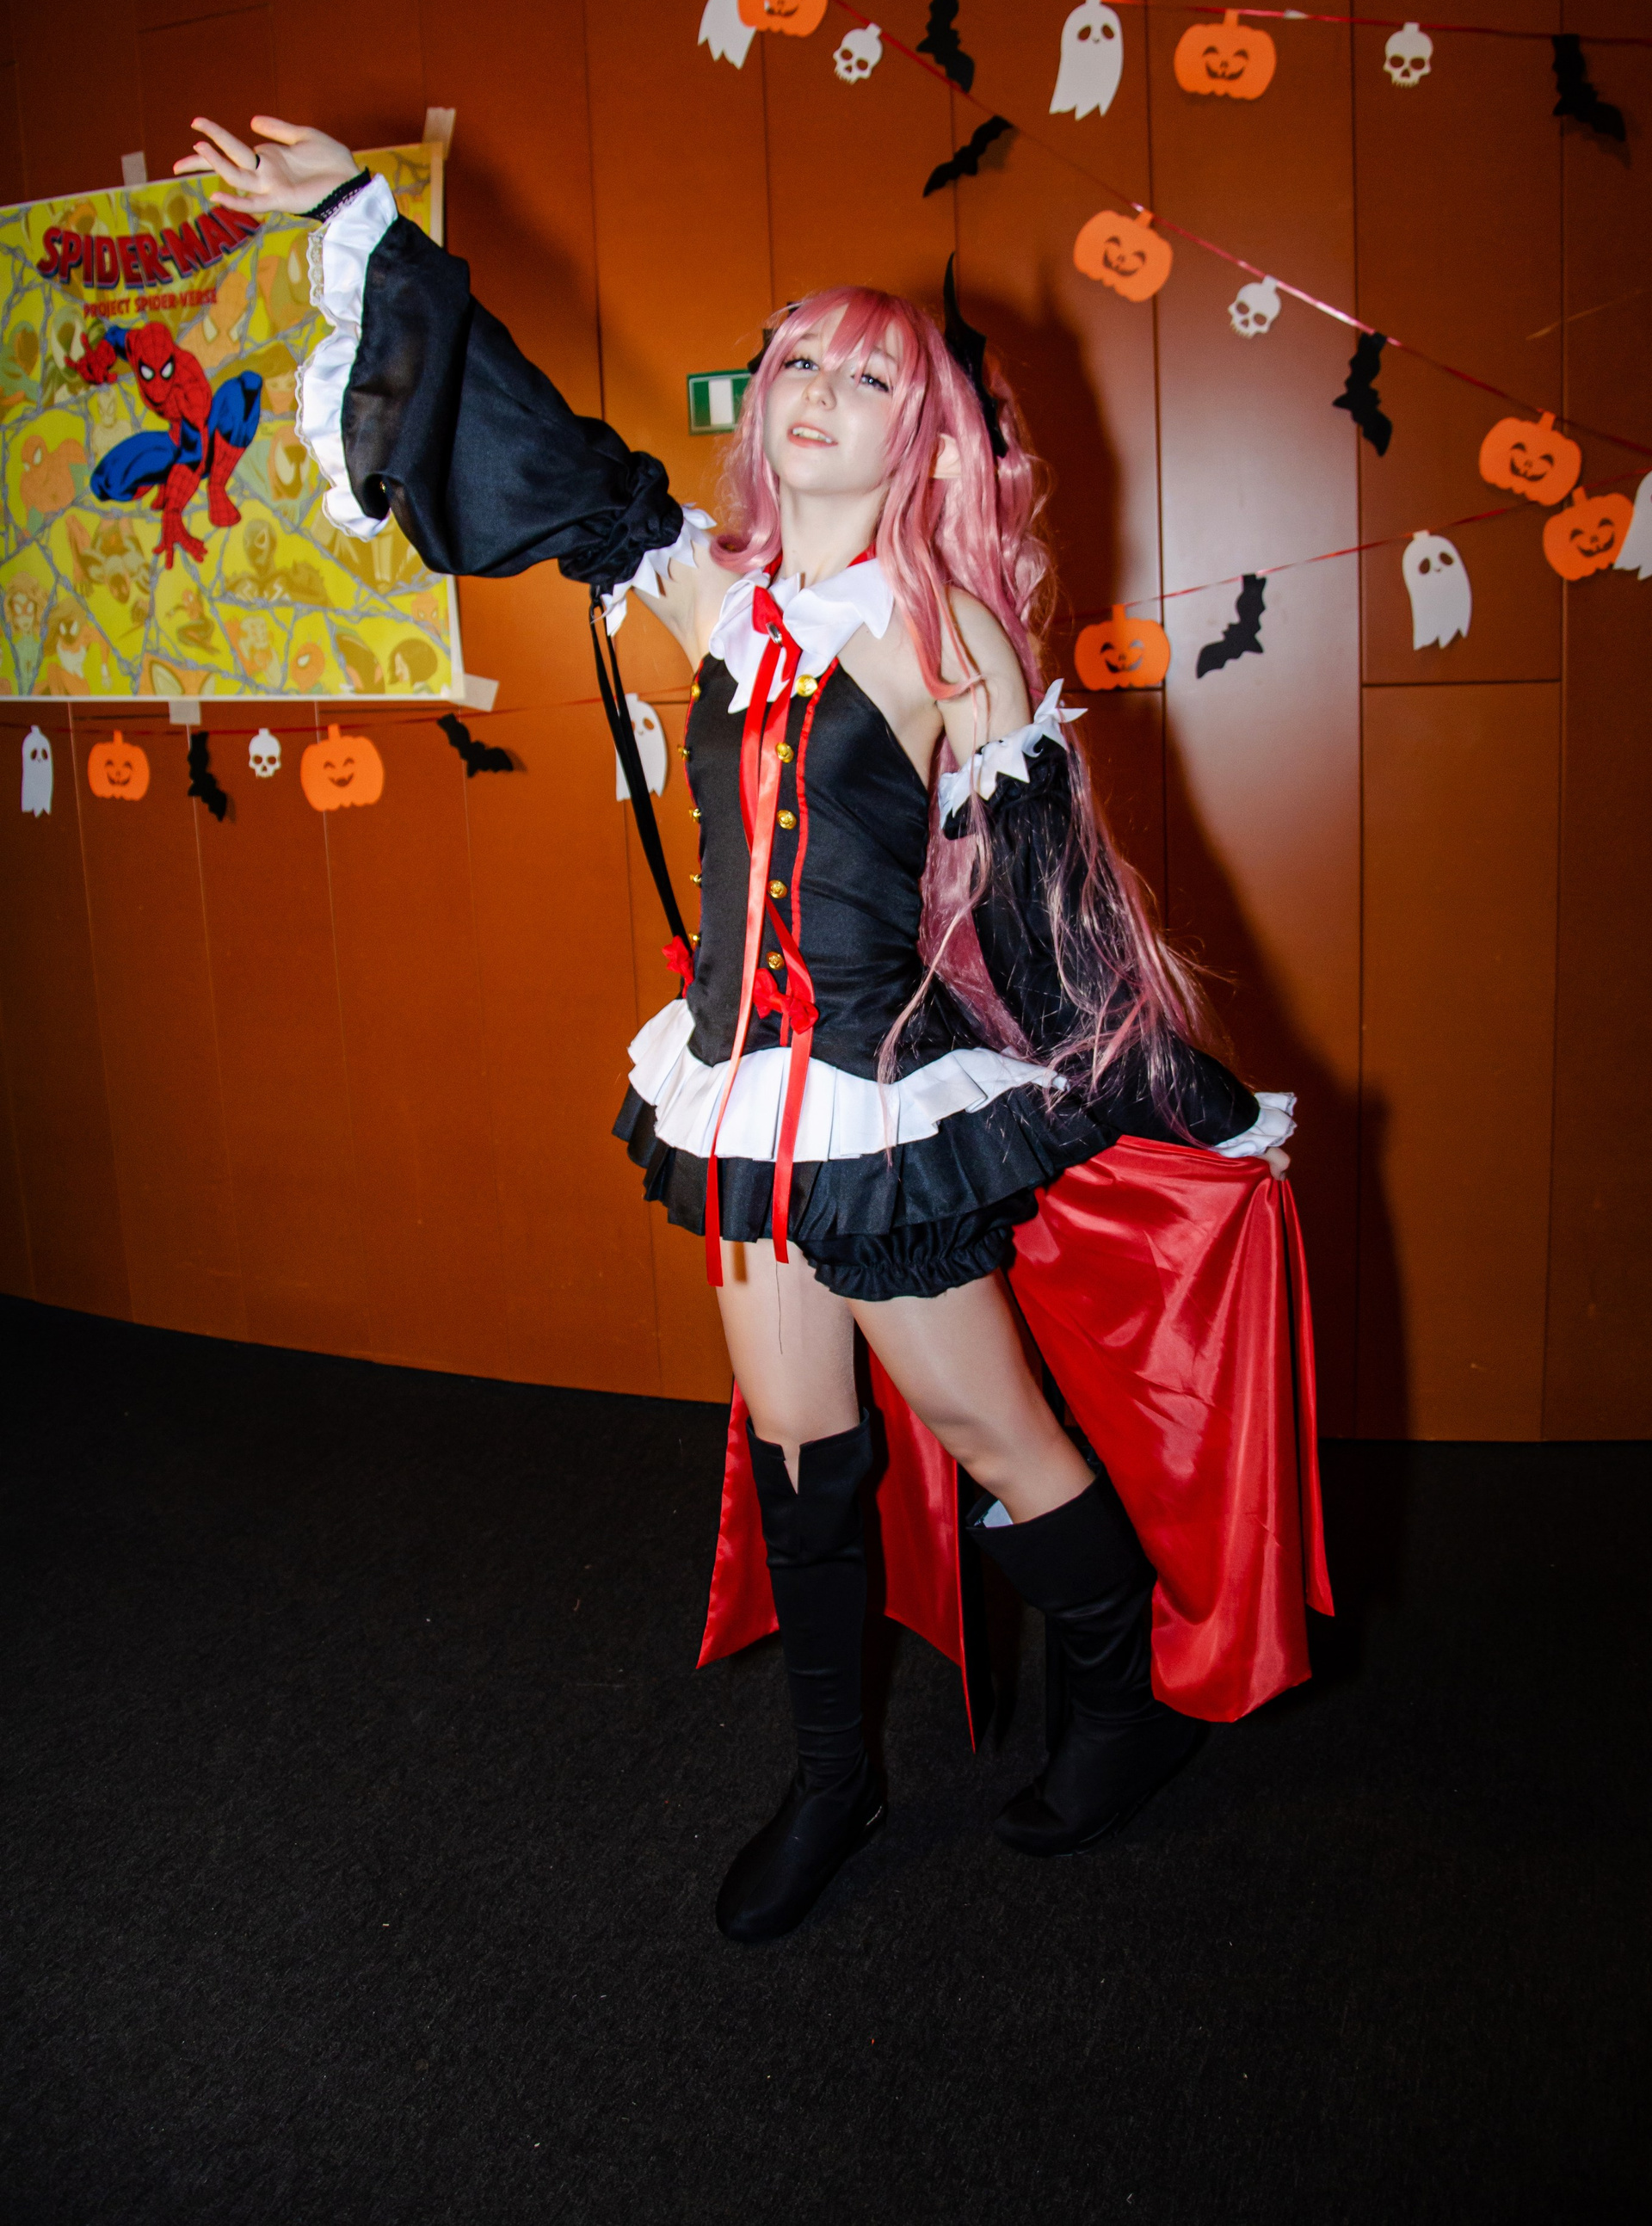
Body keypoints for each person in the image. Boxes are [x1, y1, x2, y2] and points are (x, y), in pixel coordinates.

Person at [176, 114, 1325, 1948]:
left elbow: (1051, 907)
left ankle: (1125, 1715)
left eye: (869, 379)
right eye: (797, 363)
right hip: (736, 1093)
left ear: (923, 439)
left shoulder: (953, 638)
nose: (819, 396)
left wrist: (1178, 1100)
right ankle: (831, 1776)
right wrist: (362, 221)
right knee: (803, 1445)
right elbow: (535, 445)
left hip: (880, 1106)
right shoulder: (716, 592)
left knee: (997, 1432)